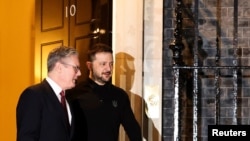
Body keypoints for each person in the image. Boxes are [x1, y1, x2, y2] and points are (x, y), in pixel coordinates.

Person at [66, 43, 142, 141]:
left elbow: (133, 130)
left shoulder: (120, 95)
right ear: (89, 66)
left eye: (111, 64)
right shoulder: (73, 94)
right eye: (103, 64)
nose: (109, 69)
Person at [16, 46, 84, 141]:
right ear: (59, 68)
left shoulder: (69, 99)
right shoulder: (33, 95)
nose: (79, 73)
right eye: (76, 68)